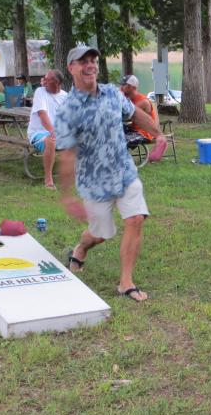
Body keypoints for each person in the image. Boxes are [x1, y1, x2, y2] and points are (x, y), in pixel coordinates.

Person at [56, 46, 166, 302]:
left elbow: (135, 114)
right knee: (100, 234)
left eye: (93, 60)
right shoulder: (67, 110)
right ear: (71, 67)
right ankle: (80, 248)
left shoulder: (112, 93)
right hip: (94, 184)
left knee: (136, 218)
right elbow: (68, 154)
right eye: (83, 61)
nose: (90, 65)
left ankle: (126, 282)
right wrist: (67, 196)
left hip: (124, 172)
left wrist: (158, 134)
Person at [27, 69, 68, 190]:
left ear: (57, 83)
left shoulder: (66, 96)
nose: (43, 81)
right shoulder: (40, 92)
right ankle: (48, 180)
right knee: (51, 140)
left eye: (46, 79)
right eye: (44, 79)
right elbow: (42, 114)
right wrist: (53, 132)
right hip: (38, 133)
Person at [120, 74, 159, 146]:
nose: (121, 87)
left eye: (124, 85)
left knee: (119, 140)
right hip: (134, 130)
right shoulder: (128, 99)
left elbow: (124, 115)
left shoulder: (143, 101)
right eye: (121, 84)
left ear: (133, 87)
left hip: (144, 133)